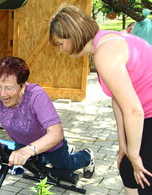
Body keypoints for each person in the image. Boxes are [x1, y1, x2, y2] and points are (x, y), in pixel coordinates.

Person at [49, 3, 152, 195]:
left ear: (73, 35)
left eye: (60, 44)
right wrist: (124, 146)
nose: (61, 50)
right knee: (127, 170)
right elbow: (118, 101)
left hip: (146, 113)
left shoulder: (105, 53)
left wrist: (135, 155)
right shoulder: (102, 44)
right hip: (142, 114)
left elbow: (134, 110)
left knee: (143, 179)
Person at [0, 56, 95, 179]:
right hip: (23, 142)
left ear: (23, 86)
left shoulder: (36, 96)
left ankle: (86, 156)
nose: (2, 93)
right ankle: (54, 154)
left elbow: (56, 133)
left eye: (9, 88)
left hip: (49, 144)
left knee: (65, 165)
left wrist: (28, 151)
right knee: (35, 165)